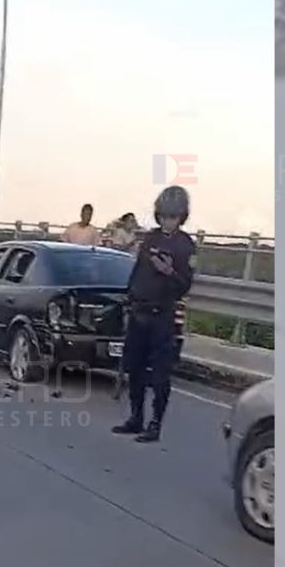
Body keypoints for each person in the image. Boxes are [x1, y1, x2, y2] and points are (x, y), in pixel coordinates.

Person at [112, 186, 196, 443]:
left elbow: (185, 285)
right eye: (164, 216)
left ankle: (155, 423)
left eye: (173, 216)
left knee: (160, 374)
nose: (167, 221)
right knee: (134, 368)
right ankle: (135, 416)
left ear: (181, 216)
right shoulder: (150, 239)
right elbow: (138, 271)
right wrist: (129, 296)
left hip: (163, 315)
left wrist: (169, 271)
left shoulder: (186, 246)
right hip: (140, 312)